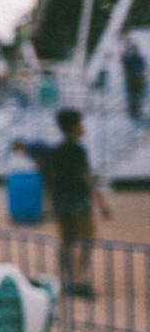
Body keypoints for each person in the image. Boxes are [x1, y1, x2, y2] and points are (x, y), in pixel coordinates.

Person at [45, 108, 111, 299]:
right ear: (74, 127)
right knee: (86, 240)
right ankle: (82, 281)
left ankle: (67, 280)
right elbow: (86, 177)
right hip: (79, 200)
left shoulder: (56, 151)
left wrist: (51, 203)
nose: (84, 127)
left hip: (61, 200)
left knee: (66, 242)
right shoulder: (79, 150)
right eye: (81, 124)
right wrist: (101, 202)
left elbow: (51, 179)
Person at [121, 37, 146, 120]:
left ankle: (135, 110)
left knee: (134, 95)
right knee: (134, 95)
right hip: (134, 79)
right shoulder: (133, 57)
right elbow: (141, 68)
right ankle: (134, 110)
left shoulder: (134, 58)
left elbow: (142, 68)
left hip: (134, 79)